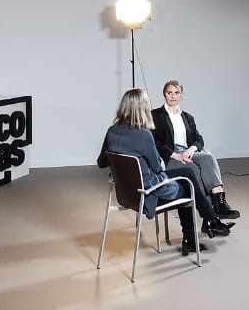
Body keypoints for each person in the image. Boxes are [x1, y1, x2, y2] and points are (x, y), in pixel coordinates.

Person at [98, 88, 231, 255]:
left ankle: (210, 221)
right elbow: (157, 168)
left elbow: (101, 162)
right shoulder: (143, 135)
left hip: (127, 194)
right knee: (188, 184)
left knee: (187, 174)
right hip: (148, 194)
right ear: (142, 108)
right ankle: (201, 229)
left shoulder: (112, 131)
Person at [152, 80, 240, 218]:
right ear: (164, 95)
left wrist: (191, 149)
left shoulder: (187, 117)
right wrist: (174, 155)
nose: (173, 96)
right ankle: (209, 215)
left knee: (208, 158)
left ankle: (219, 202)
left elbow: (199, 140)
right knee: (193, 169)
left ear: (181, 95)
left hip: (186, 151)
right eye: (169, 93)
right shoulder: (155, 115)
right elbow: (154, 142)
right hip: (169, 156)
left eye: (176, 93)